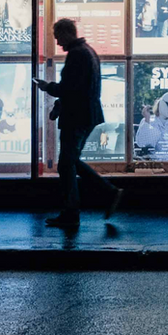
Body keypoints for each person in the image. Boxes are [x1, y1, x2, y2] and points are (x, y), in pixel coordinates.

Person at [34, 18, 123, 229]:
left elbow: (69, 89)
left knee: (66, 164)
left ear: (66, 33)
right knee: (70, 161)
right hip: (86, 115)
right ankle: (102, 196)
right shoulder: (88, 52)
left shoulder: (77, 54)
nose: (57, 43)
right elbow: (79, 88)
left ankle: (79, 208)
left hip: (76, 116)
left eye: (58, 37)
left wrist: (47, 87)